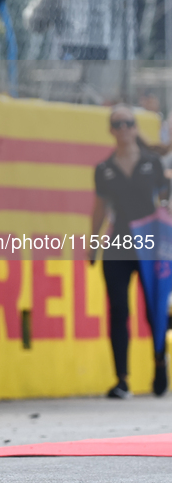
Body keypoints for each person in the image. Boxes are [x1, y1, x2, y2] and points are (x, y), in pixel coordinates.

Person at [90, 105, 169, 399]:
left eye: (128, 123)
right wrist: (92, 242)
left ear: (136, 127)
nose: (124, 128)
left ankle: (160, 362)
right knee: (119, 310)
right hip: (118, 243)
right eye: (118, 124)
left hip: (149, 244)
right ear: (111, 130)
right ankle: (121, 379)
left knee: (153, 308)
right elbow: (99, 209)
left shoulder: (152, 164)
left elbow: (164, 203)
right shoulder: (104, 169)